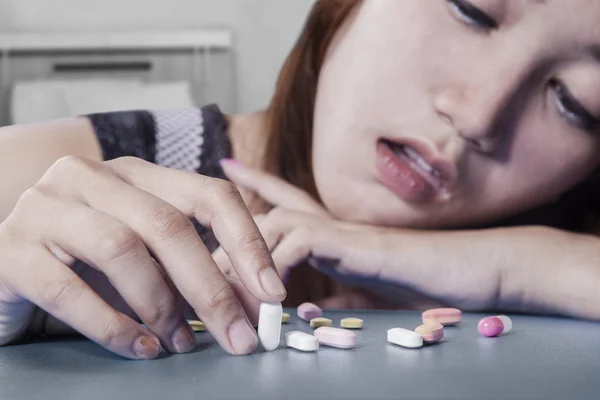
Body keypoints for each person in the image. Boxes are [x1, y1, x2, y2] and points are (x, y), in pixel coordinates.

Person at [1, 0, 600, 360]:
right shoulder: (61, 175)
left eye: (578, 105)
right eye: (471, 8)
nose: (477, 115)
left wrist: (515, 268)